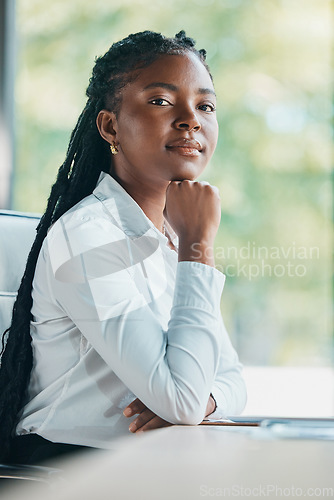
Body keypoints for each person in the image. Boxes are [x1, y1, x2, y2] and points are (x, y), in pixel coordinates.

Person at [0, 30, 246, 464]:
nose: (191, 119)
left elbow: (230, 381)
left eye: (205, 105)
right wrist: (199, 247)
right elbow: (183, 399)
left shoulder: (170, 237)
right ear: (111, 125)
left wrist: (199, 401)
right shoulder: (87, 236)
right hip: (69, 467)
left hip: (147, 463)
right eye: (161, 101)